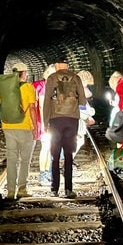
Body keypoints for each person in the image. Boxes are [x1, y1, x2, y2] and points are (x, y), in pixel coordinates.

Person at [43, 60, 86, 198]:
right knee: (68, 155)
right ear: (68, 67)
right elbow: (83, 101)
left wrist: (45, 122)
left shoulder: (51, 78)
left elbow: (47, 102)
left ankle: (54, 188)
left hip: (55, 120)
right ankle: (68, 189)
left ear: (56, 67)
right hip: (72, 120)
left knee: (55, 156)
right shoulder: (76, 78)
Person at [0, 62, 37, 200]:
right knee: (25, 160)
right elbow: (32, 108)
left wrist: (4, 124)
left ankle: (10, 191)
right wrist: (35, 128)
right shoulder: (28, 88)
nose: (27, 74)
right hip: (24, 127)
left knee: (11, 160)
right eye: (26, 72)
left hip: (9, 127)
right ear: (22, 73)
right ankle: (22, 188)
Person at [35, 64, 57, 184]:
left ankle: (47, 172)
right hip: (46, 124)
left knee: (49, 148)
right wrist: (45, 125)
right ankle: (42, 174)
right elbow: (43, 106)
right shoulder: (45, 89)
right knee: (45, 148)